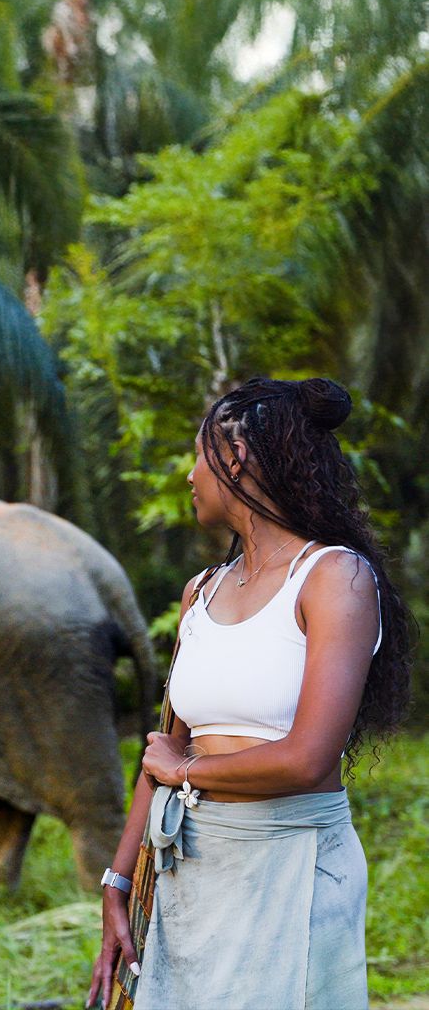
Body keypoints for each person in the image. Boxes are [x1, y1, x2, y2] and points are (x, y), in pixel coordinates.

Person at [86, 376, 413, 1010]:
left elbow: (307, 759)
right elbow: (161, 751)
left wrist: (188, 771)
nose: (189, 476)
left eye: (199, 455)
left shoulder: (332, 578)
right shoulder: (201, 591)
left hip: (292, 865)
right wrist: (119, 880)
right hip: (192, 870)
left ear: (236, 457)